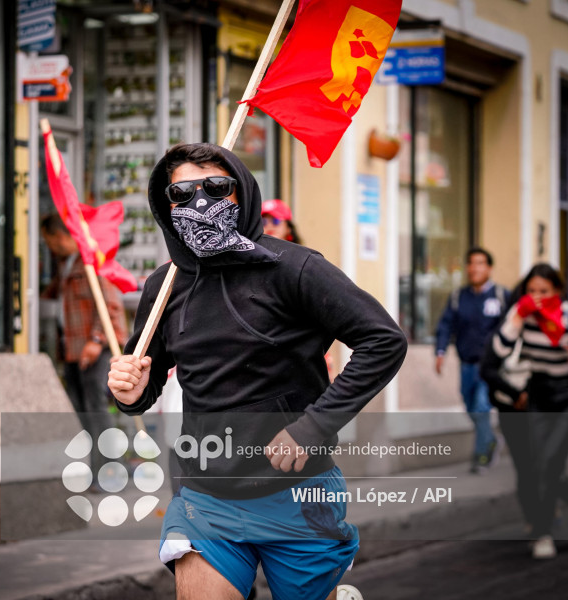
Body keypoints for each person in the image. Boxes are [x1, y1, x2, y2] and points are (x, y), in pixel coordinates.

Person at [108, 143, 407, 600]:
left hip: (298, 491)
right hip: (206, 495)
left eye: (216, 187)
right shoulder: (163, 286)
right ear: (166, 207)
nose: (199, 202)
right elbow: (143, 383)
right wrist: (128, 392)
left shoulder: (295, 268)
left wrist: (312, 427)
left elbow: (384, 341)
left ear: (242, 192)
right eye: (182, 194)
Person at [483, 263, 568, 559]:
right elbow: (497, 352)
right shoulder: (522, 315)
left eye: (544, 291)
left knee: (550, 461)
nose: (537, 297)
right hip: (539, 393)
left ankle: (543, 532)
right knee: (537, 463)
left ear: (557, 290)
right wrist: (517, 317)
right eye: (531, 291)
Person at [41, 213, 127, 486]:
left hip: (94, 349)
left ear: (60, 236)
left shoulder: (91, 261)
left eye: (48, 240)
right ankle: (92, 470)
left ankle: (111, 471)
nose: (49, 247)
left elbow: (110, 305)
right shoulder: (65, 265)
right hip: (71, 349)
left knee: (95, 408)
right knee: (80, 409)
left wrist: (97, 340)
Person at [434, 247, 510, 473]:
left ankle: (481, 456)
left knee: (481, 407)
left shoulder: (501, 296)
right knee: (470, 406)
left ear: (489, 268)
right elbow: (445, 325)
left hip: (490, 366)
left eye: (480, 263)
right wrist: (440, 351)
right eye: (471, 263)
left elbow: (510, 327)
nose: (474, 268)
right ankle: (491, 440)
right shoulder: (459, 297)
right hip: (466, 364)